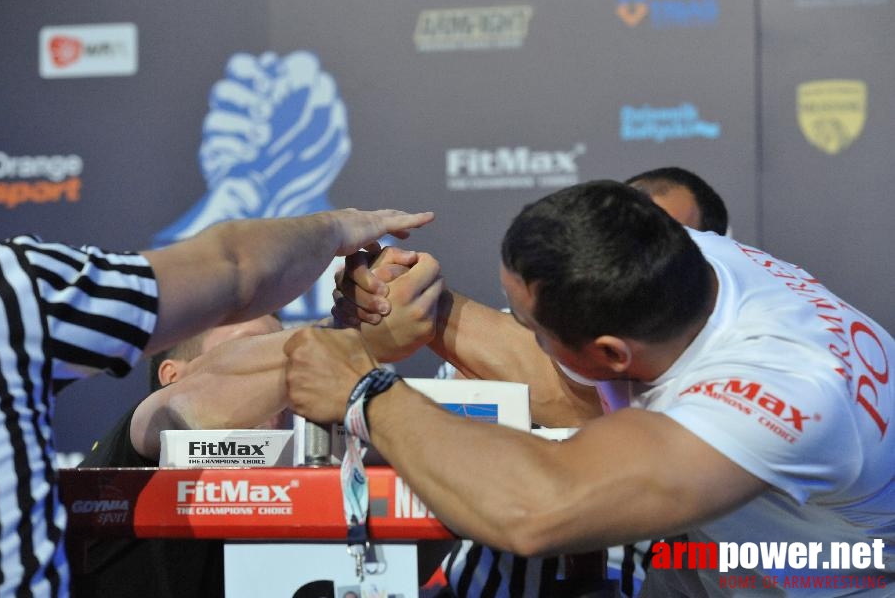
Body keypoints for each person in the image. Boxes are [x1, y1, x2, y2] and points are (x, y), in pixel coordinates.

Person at [287, 180, 895, 597]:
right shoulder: (681, 264)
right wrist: (430, 310)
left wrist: (366, 391)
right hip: (737, 561)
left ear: (610, 350)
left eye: (530, 326)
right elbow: (583, 394)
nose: (519, 330)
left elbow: (537, 508)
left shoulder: (774, 395)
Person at [0, 206, 432, 597]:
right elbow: (199, 397)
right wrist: (345, 332)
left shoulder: (343, 485)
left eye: (276, 342)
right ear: (171, 378)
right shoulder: (135, 445)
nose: (280, 380)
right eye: (244, 351)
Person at [431, 167, 732, 597]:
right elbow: (435, 476)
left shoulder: (722, 377)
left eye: (663, 244)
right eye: (623, 235)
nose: (635, 259)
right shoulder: (490, 341)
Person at [72, 314, 285, 597]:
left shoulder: (310, 475)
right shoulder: (131, 450)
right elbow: (175, 408)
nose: (277, 373)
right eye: (252, 350)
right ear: (173, 379)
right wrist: (328, 340)